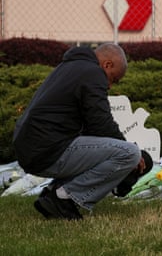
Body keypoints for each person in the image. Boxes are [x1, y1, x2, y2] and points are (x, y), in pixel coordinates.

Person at [13, 43, 146, 220]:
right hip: (47, 149)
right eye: (113, 79)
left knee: (127, 152)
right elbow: (101, 123)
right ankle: (63, 198)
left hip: (33, 149)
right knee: (129, 153)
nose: (110, 86)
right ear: (107, 65)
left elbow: (92, 126)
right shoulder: (93, 72)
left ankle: (53, 192)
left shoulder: (70, 67)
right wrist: (132, 155)